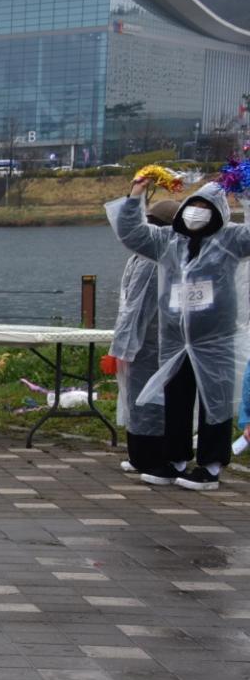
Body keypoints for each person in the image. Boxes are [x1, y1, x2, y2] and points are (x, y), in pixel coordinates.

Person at [112, 178, 250, 491]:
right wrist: (135, 196)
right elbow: (132, 234)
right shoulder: (169, 241)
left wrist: (246, 195)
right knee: (176, 402)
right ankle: (175, 460)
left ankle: (210, 466)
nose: (196, 212)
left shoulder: (230, 239)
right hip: (176, 341)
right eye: (193, 205)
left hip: (214, 341)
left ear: (217, 212)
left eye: (204, 207)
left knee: (214, 403)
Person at [108, 197, 176, 478]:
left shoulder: (153, 257)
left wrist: (122, 346)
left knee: (150, 401)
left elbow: (138, 308)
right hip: (143, 342)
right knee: (137, 399)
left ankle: (149, 458)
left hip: (149, 342)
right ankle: (139, 456)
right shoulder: (146, 254)